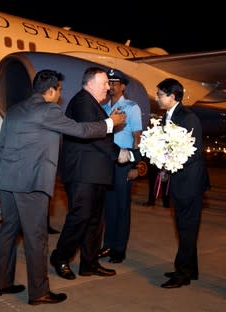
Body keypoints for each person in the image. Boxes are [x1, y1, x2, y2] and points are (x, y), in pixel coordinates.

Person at [0, 69, 127, 305]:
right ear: (51, 90)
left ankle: (0, 283)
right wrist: (110, 123)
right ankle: (39, 292)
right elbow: (82, 131)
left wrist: (10, 173)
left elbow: (1, 147)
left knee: (8, 233)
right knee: (36, 238)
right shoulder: (48, 110)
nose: (61, 95)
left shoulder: (14, 110)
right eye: (60, 90)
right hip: (31, 183)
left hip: (8, 181)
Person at [51, 67, 135, 280]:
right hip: (82, 173)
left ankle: (89, 263)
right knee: (80, 218)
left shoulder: (93, 105)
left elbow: (99, 131)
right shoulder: (82, 102)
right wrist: (119, 153)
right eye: (105, 82)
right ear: (90, 84)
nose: (109, 87)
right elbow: (93, 135)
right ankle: (60, 257)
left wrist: (111, 123)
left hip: (95, 173)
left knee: (95, 221)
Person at [155, 78, 210, 289]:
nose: (158, 98)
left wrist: (167, 158)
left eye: (160, 95)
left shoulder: (188, 117)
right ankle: (190, 269)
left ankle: (182, 274)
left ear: (173, 96)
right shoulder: (166, 116)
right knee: (184, 227)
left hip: (189, 181)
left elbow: (194, 151)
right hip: (178, 179)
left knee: (187, 228)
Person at [97, 69, 142, 263]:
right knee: (108, 207)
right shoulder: (104, 107)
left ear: (123, 86)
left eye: (115, 82)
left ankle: (119, 249)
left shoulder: (132, 107)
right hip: (106, 163)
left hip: (124, 162)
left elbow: (137, 138)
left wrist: (135, 165)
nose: (111, 85)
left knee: (122, 207)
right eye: (110, 82)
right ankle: (108, 244)